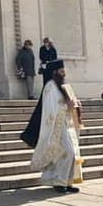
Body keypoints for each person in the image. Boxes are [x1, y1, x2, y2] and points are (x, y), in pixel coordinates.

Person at [20, 59, 83, 193]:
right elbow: (50, 109)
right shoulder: (50, 87)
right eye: (61, 71)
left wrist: (75, 104)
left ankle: (68, 182)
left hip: (66, 125)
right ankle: (59, 182)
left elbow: (67, 102)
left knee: (72, 154)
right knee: (67, 152)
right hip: (56, 127)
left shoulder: (63, 86)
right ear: (55, 72)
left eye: (64, 71)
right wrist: (67, 105)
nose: (64, 73)